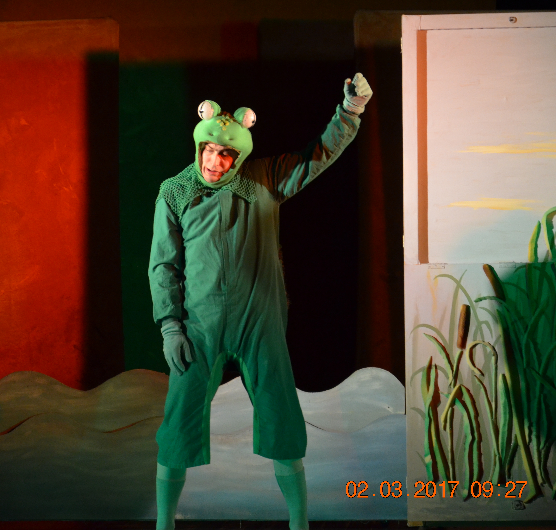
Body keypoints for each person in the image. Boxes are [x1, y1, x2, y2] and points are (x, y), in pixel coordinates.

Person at [148, 74, 373, 530]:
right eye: (209, 150)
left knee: (280, 417)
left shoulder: (265, 179)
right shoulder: (175, 191)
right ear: (199, 146)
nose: (215, 161)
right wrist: (170, 326)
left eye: (225, 154)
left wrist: (350, 112)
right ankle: (164, 524)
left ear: (239, 157)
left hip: (259, 319)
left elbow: (318, 155)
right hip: (199, 323)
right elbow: (163, 265)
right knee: (178, 421)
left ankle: (299, 523)